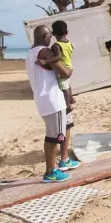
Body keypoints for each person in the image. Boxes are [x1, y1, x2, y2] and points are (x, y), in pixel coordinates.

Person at [25, 25, 81, 182]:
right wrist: (69, 67)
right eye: (49, 36)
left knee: (61, 130)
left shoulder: (30, 53)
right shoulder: (45, 52)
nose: (51, 39)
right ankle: (50, 171)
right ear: (44, 36)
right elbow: (65, 72)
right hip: (52, 100)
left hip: (43, 99)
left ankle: (62, 161)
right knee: (53, 137)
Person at [39, 20, 75, 112]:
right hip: (70, 66)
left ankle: (68, 106)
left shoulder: (56, 45)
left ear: (54, 34)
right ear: (66, 32)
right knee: (67, 84)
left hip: (63, 68)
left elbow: (58, 57)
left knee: (64, 88)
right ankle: (71, 98)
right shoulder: (69, 42)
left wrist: (45, 61)